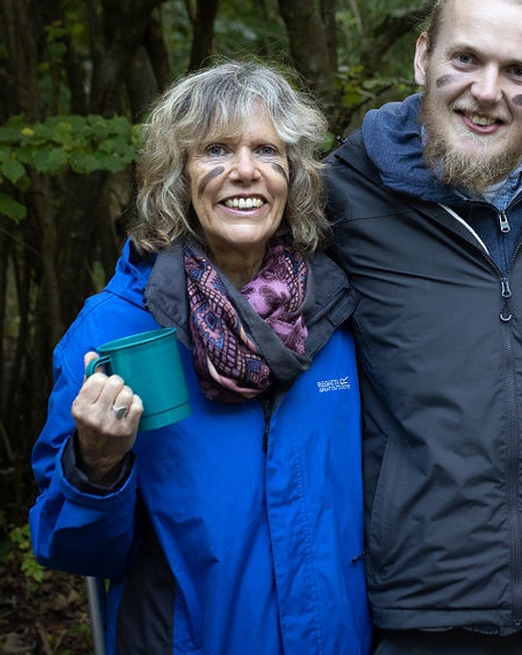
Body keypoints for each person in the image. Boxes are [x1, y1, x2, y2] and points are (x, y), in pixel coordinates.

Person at [323, 0, 522, 653]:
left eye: (517, 72)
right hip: (418, 614)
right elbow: (222, 283)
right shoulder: (342, 196)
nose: (487, 92)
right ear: (422, 54)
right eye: (465, 59)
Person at [29, 62, 371, 654]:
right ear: (178, 176)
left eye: (267, 150)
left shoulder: (336, 313)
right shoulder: (116, 330)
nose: (244, 171)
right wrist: (96, 466)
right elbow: (71, 549)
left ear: (292, 175)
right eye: (215, 150)